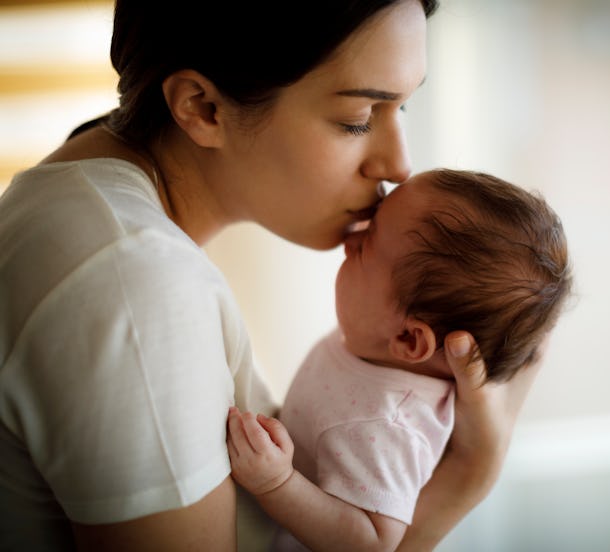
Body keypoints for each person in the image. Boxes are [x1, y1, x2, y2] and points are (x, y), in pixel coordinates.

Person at [0, 0, 543, 550]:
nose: (399, 166)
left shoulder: (77, 202)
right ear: (203, 107)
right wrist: (467, 477)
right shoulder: (134, 281)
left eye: (401, 108)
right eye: (357, 118)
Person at [227, 168, 573, 551]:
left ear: (410, 339)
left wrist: (278, 484)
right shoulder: (376, 346)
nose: (349, 240)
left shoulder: (390, 425)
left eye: (366, 245)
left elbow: (372, 542)